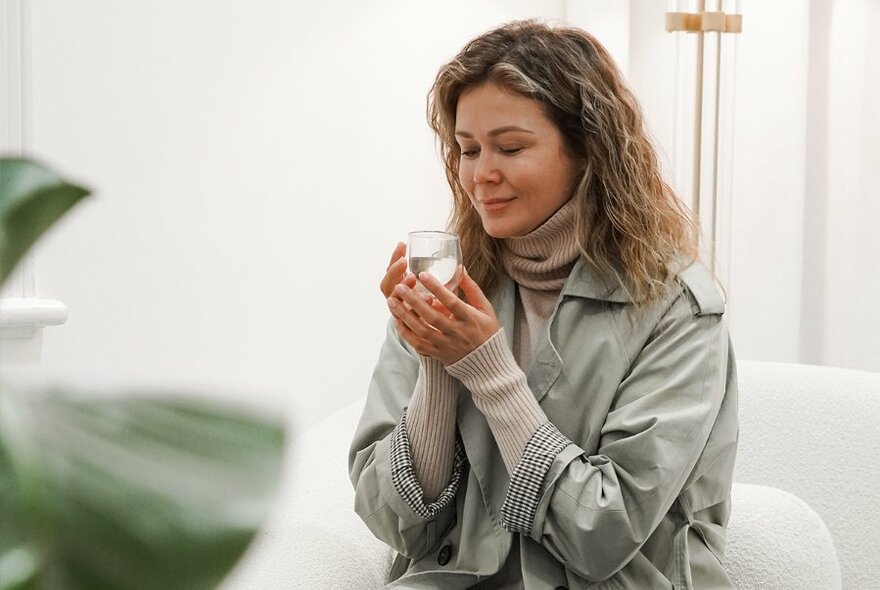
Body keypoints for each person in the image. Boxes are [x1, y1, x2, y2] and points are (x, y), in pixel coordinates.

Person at [349, 19, 737, 590]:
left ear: (587, 151)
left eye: (510, 147)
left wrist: (487, 370)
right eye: (467, 149)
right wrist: (436, 364)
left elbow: (601, 536)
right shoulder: (447, 288)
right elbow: (396, 526)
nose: (482, 175)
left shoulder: (676, 308)